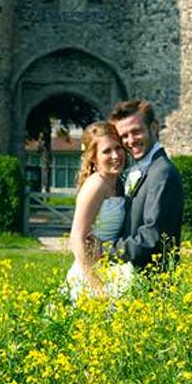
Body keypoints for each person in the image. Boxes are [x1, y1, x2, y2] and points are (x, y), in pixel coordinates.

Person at [108, 100, 184, 274]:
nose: (130, 141)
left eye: (136, 132)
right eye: (124, 136)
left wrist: (106, 252)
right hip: (131, 277)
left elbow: (152, 237)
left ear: (154, 127)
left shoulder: (161, 172)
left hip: (152, 282)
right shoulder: (140, 169)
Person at [64, 121, 134, 302]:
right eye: (106, 151)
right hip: (94, 271)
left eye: (118, 148)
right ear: (93, 157)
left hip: (115, 263)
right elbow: (77, 237)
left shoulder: (119, 182)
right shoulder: (96, 185)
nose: (116, 156)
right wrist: (96, 284)